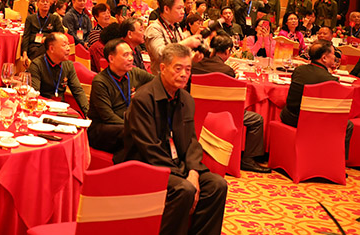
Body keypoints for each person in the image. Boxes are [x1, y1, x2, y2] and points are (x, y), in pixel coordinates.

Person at [114, 43, 228, 235]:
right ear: (163, 68)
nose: (184, 74)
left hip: (178, 165)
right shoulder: (143, 99)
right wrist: (183, 174)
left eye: (188, 69)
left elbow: (191, 142)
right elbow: (149, 149)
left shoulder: (186, 99)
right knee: (185, 189)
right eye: (178, 68)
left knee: (217, 185)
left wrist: (193, 171)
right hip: (145, 165)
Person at [191, 34, 270, 173]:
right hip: (222, 115)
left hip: (196, 111)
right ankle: (248, 160)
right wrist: (232, 75)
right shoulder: (226, 70)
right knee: (257, 120)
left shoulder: (195, 64)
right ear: (228, 50)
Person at [280, 40, 354, 157]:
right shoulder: (330, 80)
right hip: (312, 123)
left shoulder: (299, 70)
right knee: (347, 124)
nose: (335, 57)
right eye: (333, 54)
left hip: (289, 117)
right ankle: (336, 160)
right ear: (324, 58)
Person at [88, 39, 154, 153]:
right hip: (104, 128)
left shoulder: (134, 73)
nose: (131, 58)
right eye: (125, 55)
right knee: (134, 133)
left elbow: (158, 83)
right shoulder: (100, 82)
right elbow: (108, 116)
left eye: (131, 54)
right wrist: (133, 126)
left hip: (127, 123)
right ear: (111, 58)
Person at [28, 32, 89, 116]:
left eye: (68, 45)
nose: (68, 48)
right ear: (51, 48)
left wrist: (88, 113)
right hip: (43, 109)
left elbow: (78, 91)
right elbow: (35, 94)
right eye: (64, 45)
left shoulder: (68, 65)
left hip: (62, 109)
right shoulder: (37, 65)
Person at [144, 0, 202, 67]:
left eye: (183, 8)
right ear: (166, 9)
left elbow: (180, 53)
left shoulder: (176, 26)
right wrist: (185, 43)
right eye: (179, 8)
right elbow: (160, 55)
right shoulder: (154, 28)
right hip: (163, 73)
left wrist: (193, 57)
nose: (183, 12)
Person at [21, 0, 65, 65]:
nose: (45, 3)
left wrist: (48, 38)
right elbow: (26, 36)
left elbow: (61, 32)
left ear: (49, 4)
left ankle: (35, 66)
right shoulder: (30, 18)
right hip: (34, 46)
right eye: (43, 1)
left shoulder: (54, 18)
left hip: (48, 45)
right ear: (37, 4)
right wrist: (24, 54)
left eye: (47, 1)